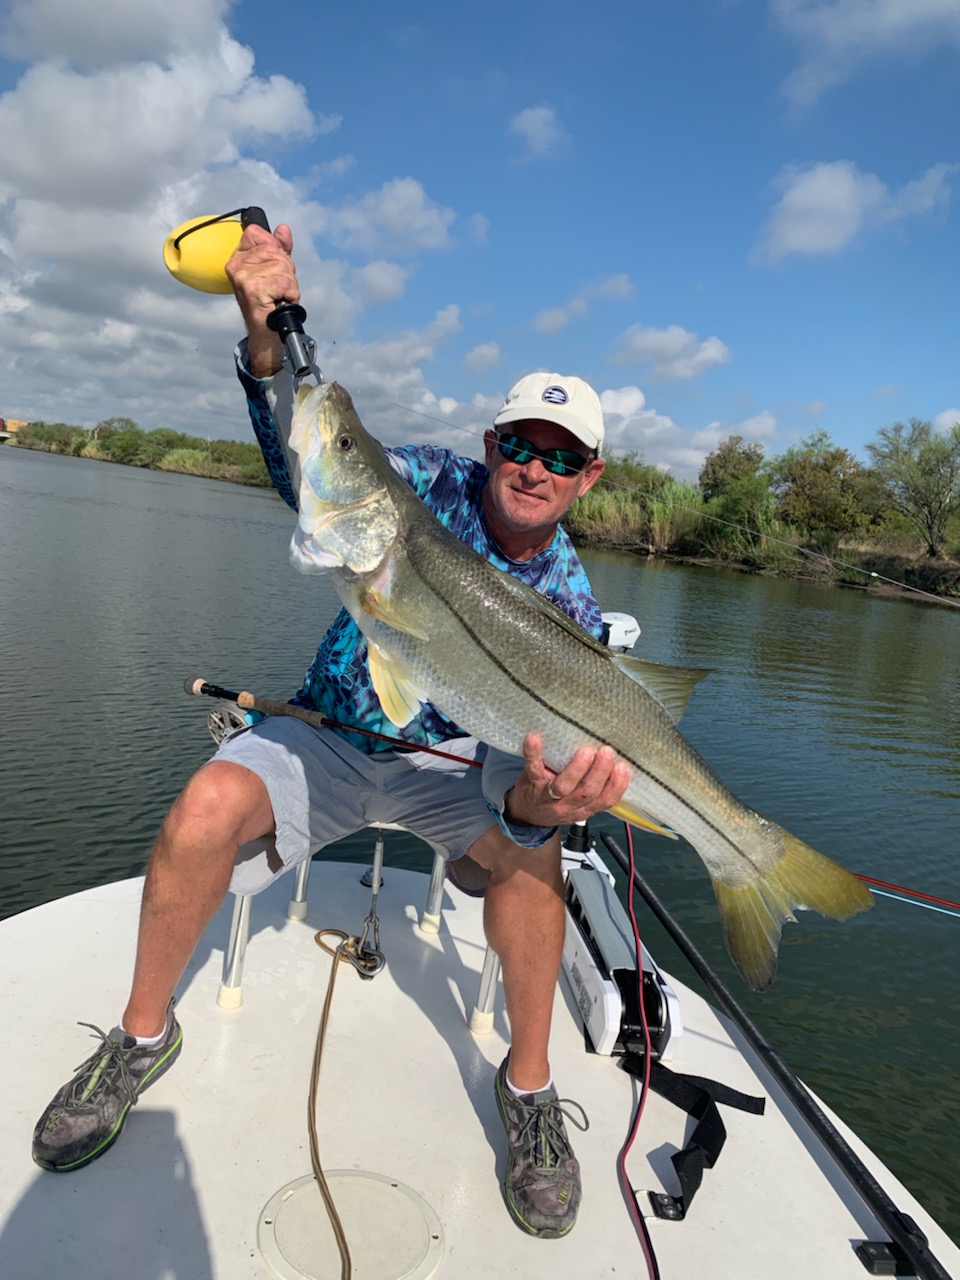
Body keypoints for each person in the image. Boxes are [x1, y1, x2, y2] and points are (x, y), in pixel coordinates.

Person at [32, 223, 631, 1240]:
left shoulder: (568, 601)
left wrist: (543, 806)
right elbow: (309, 465)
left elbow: (528, 787)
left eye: (560, 457)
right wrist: (267, 343)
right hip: (333, 734)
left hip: (465, 773)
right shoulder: (426, 485)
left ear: (587, 478)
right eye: (521, 443)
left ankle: (527, 1091)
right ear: (492, 444)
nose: (534, 466)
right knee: (204, 805)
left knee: (538, 864)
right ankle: (140, 1036)